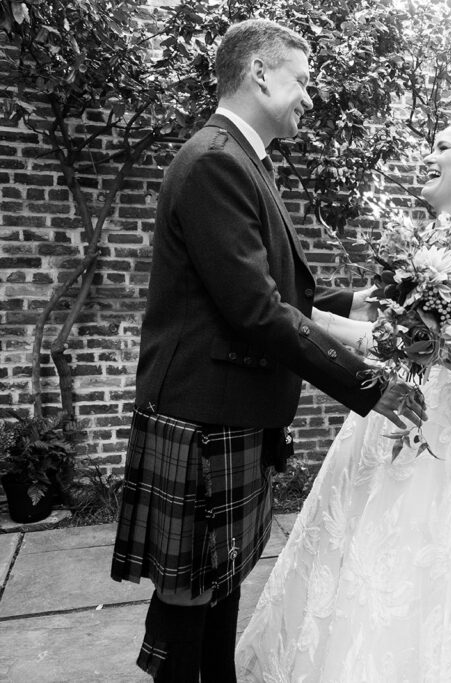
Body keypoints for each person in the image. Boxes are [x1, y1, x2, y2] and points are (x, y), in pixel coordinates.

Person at [109, 19, 425, 683]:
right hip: (204, 416)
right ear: (259, 73)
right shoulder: (218, 160)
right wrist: (372, 386)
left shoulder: (241, 157)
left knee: (217, 586)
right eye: (302, 81)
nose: (310, 97)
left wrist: (364, 303)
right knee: (193, 596)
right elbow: (256, 311)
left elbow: (270, 286)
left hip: (226, 411)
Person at [234, 115, 451, 682]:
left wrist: (439, 344)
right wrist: (304, 315)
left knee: (421, 571)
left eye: (442, 147)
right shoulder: (431, 247)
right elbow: (382, 327)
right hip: (385, 416)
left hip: (437, 438)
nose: (429, 154)